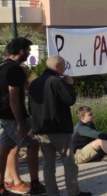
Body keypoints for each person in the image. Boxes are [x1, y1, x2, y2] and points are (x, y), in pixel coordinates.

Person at [29, 56, 91, 196]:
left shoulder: (34, 83)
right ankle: (73, 192)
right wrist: (69, 84)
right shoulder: (57, 81)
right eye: (64, 66)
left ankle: (52, 193)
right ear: (57, 66)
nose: (65, 69)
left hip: (42, 129)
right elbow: (70, 100)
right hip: (59, 128)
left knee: (48, 164)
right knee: (69, 162)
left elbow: (30, 108)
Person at [0, 38, 45, 196]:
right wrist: (19, 122)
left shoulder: (1, 66)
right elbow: (13, 97)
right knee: (32, 145)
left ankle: (0, 187)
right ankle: (35, 184)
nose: (30, 53)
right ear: (22, 51)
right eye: (29, 50)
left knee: (3, 149)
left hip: (2, 116)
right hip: (13, 116)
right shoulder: (14, 69)